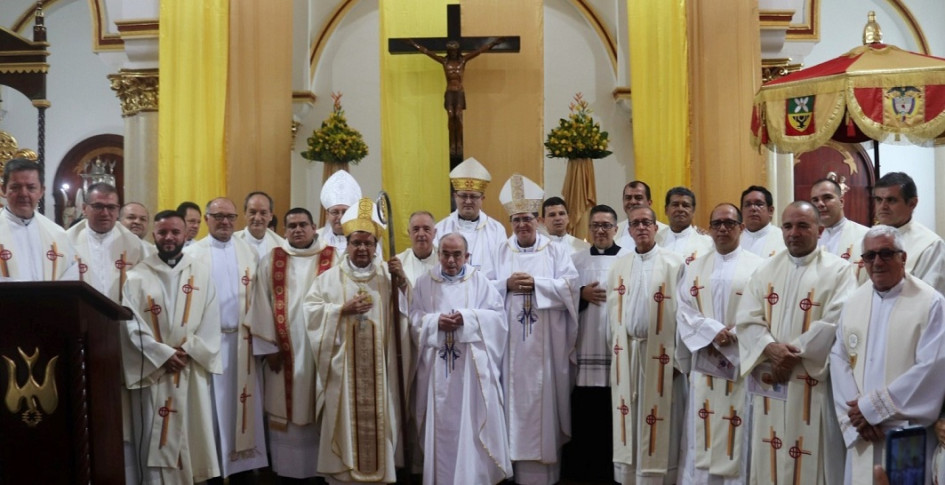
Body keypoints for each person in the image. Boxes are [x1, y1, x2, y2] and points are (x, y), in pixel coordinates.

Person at [736, 201, 857, 485]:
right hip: (772, 380)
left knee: (815, 458)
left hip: (813, 382)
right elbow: (747, 318)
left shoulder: (839, 271)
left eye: (803, 225)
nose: (794, 233)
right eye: (788, 226)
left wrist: (791, 355)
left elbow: (838, 320)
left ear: (819, 230)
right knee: (770, 452)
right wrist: (770, 348)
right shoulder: (766, 270)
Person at [304, 197, 414, 484]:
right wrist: (340, 310)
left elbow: (408, 315)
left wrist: (403, 282)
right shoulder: (328, 280)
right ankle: (343, 474)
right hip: (343, 375)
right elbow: (311, 313)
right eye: (356, 243)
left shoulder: (387, 278)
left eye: (368, 243)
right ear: (347, 244)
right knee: (344, 425)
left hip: (381, 373)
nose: (362, 248)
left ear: (376, 246)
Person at [829, 225, 945, 485]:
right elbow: (838, 358)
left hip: (905, 433)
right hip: (862, 432)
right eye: (870, 256)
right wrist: (856, 415)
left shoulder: (931, 303)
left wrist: (872, 409)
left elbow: (932, 367)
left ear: (903, 257)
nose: (877, 262)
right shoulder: (854, 301)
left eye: (886, 253)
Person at [120, 209, 222, 483]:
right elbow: (130, 324)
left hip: (189, 368)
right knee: (154, 439)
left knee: (191, 435)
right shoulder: (136, 276)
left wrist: (188, 351)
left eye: (175, 232)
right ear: (153, 235)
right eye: (163, 232)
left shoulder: (201, 273)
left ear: (185, 234)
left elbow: (211, 320)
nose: (169, 237)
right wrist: (163, 354)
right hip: (155, 370)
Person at [490, 174, 578, 485]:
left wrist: (536, 285)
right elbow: (483, 290)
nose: (522, 224)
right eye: (516, 220)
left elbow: (571, 286)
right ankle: (511, 470)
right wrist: (505, 284)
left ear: (537, 220)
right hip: (509, 349)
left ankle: (545, 475)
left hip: (547, 348)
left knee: (545, 406)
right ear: (511, 223)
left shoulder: (555, 251)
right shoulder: (500, 251)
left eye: (527, 218)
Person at [410, 232, 512, 484]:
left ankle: (471, 478)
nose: (451, 260)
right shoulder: (423, 283)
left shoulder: (480, 282)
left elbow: (499, 319)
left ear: (467, 256)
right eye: (445, 254)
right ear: (438, 254)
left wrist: (468, 318)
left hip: (471, 373)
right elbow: (413, 319)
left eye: (457, 255)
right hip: (436, 372)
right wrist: (434, 322)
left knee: (470, 425)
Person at [65, 182, 149, 484]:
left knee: (121, 411)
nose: (105, 212)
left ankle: (124, 474)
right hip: (80, 337)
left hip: (124, 338)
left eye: (112, 207)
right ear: (84, 208)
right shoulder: (65, 242)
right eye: (98, 206)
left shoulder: (137, 247)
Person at [249, 207, 340, 482]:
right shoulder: (271, 260)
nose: (298, 230)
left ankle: (322, 471)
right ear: (284, 230)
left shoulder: (334, 257)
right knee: (285, 412)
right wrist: (269, 348)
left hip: (321, 349)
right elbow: (261, 303)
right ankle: (286, 473)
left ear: (314, 228)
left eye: (303, 225)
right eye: (292, 226)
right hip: (283, 352)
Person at [676, 203, 763, 484]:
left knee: (739, 429)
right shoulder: (694, 267)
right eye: (717, 224)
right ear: (710, 229)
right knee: (703, 427)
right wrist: (712, 331)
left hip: (741, 365)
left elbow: (764, 310)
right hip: (706, 361)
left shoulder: (759, 266)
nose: (722, 229)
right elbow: (684, 309)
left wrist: (735, 333)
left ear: (741, 227)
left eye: (729, 223)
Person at [186, 198, 268, 483]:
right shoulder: (192, 254)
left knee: (242, 408)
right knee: (210, 410)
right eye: (218, 216)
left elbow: (261, 301)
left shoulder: (249, 252)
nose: (225, 222)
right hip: (207, 345)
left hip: (243, 344)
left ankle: (242, 470)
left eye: (230, 217)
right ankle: (212, 470)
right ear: (206, 219)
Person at [607, 205, 686, 484]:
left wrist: (678, 359)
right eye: (635, 223)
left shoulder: (674, 264)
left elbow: (685, 315)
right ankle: (631, 477)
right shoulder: (619, 265)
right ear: (629, 231)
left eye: (646, 223)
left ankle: (658, 478)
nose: (641, 227)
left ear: (655, 227)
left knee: (660, 419)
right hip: (628, 354)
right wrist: (615, 354)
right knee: (630, 416)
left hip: (661, 357)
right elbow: (610, 317)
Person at [562, 204, 629, 483]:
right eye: (595, 226)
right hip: (585, 348)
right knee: (586, 416)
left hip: (618, 350)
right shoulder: (575, 260)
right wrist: (580, 294)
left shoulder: (629, 258)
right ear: (588, 229)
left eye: (606, 225)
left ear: (616, 229)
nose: (600, 231)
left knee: (615, 416)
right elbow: (562, 296)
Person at [405, 37, 504, 157]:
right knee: (451, 115)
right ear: (448, 51)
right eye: (451, 51)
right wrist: (413, 44)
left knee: (458, 115)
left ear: (457, 51)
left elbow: (479, 51)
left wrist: (493, 43)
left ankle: (459, 142)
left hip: (459, 92)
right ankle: (452, 142)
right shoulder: (444, 62)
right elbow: (427, 52)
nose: (453, 53)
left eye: (455, 51)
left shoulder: (463, 61)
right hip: (449, 92)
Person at [0, 157, 78, 280]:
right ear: (4, 189)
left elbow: (71, 275)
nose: (23, 194)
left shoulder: (57, 234)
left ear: (41, 191)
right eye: (16, 187)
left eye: (31, 187)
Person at [872, 172, 945, 295]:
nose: (883, 206)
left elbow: (929, 297)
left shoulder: (931, 245)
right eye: (879, 200)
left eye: (891, 200)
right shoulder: (867, 238)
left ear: (912, 203)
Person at [434, 157, 507, 275]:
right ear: (455, 196)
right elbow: (436, 267)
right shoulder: (440, 228)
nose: (468, 201)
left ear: (482, 198)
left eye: (473, 196)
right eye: (463, 196)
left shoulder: (497, 230)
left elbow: (503, 269)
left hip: (487, 286)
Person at [810, 178, 868, 264]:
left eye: (827, 198)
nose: (820, 204)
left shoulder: (865, 236)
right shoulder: (811, 241)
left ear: (841, 202)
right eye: (815, 200)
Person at [656, 187, 714, 264]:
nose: (680, 209)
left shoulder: (707, 243)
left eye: (685, 205)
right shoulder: (655, 240)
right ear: (666, 210)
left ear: (693, 211)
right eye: (675, 205)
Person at [317, 170, 362, 253]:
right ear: (327, 215)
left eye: (345, 212)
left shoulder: (365, 240)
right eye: (335, 212)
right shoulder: (316, 240)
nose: (340, 217)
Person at [614, 181, 668, 250]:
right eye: (628, 198)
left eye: (638, 198)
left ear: (649, 203)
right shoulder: (614, 231)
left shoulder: (666, 232)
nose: (632, 202)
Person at [235, 191, 286, 261]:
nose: (257, 218)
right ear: (245, 214)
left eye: (263, 213)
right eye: (252, 212)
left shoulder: (281, 246)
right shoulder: (232, 242)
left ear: (270, 216)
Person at [739, 185, 786, 258]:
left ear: (770, 211)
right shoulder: (734, 238)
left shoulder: (783, 238)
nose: (753, 208)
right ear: (741, 211)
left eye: (759, 204)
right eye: (748, 205)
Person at [395, 210, 438, 287]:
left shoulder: (444, 261)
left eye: (426, 229)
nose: (421, 234)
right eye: (416, 229)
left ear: (434, 233)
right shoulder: (399, 262)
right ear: (409, 233)